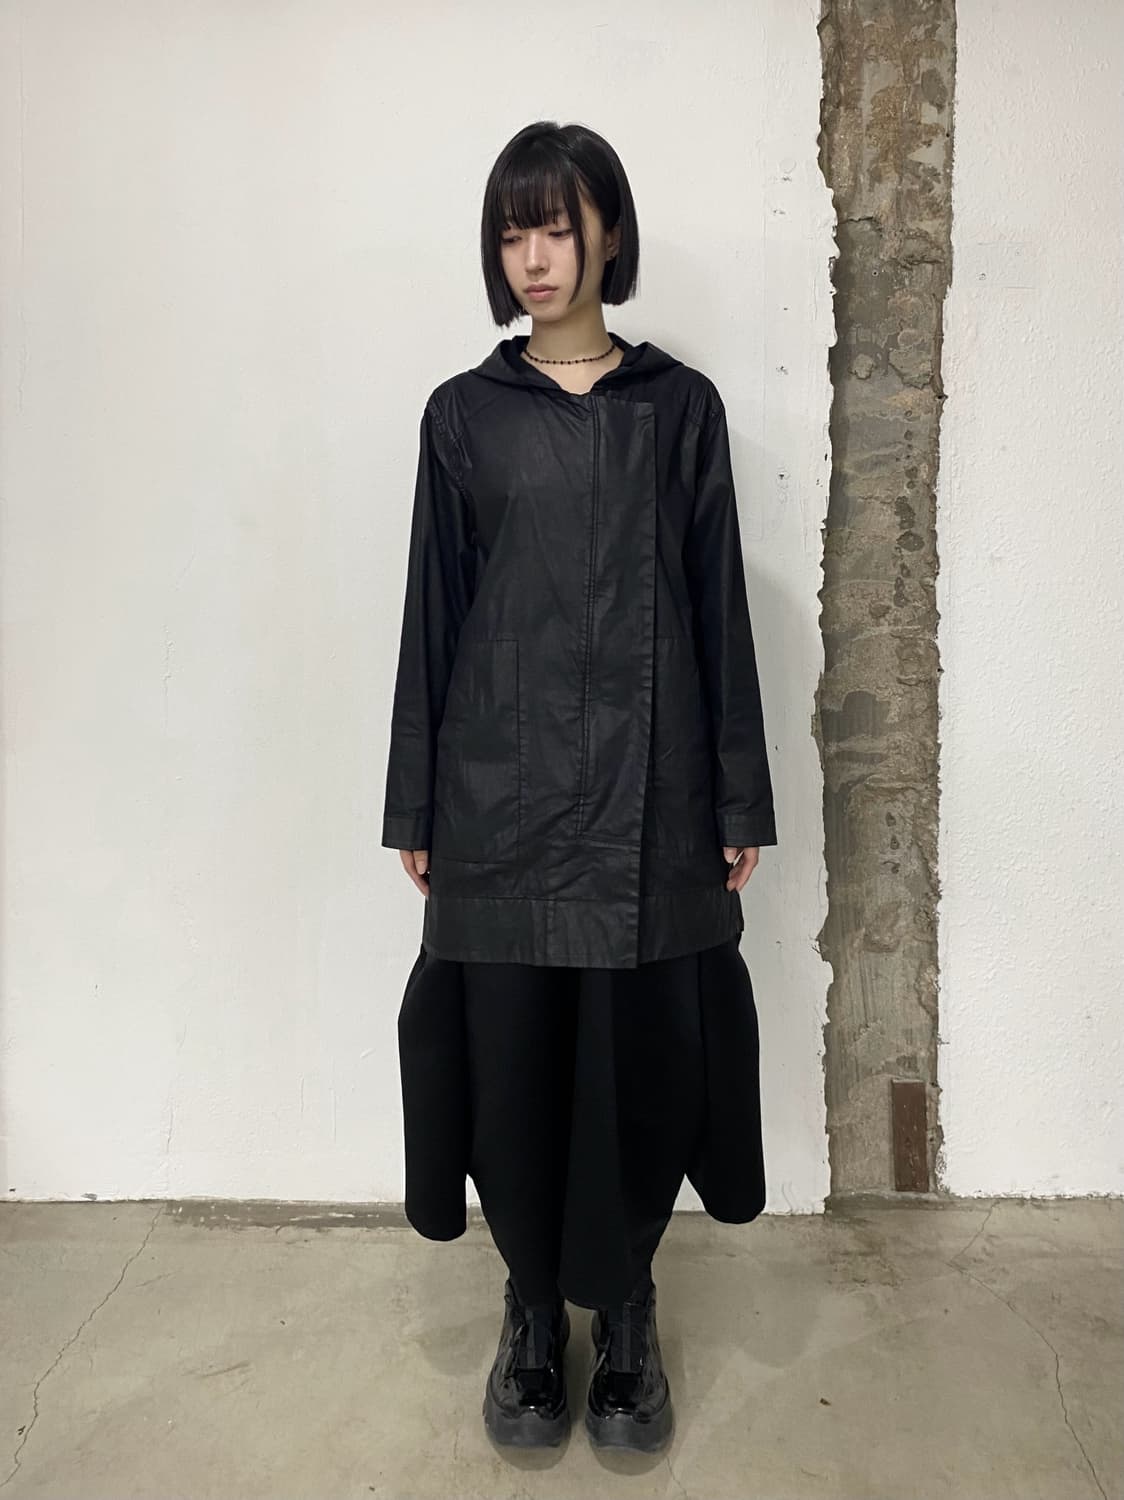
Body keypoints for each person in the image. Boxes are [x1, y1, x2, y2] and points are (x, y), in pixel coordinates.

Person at [381, 120, 777, 1454]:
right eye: (513, 233)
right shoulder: (463, 417)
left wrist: (737, 799)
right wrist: (416, 807)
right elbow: (433, 617)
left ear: (609, 230)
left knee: (637, 1067)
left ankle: (629, 1306)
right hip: (497, 801)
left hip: (651, 799)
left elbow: (717, 608)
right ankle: (531, 1308)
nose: (535, 257)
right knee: (511, 1070)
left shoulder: (680, 410)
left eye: (557, 226)